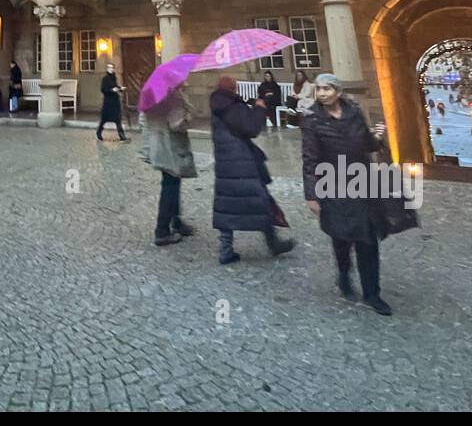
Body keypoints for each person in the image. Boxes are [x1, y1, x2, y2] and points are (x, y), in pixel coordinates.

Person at [300, 72, 393, 315]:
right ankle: (343, 272)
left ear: (338, 92)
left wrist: (377, 138)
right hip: (332, 183)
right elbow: (309, 159)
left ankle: (372, 293)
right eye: (319, 89)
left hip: (361, 181)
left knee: (367, 238)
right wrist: (311, 194)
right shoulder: (311, 119)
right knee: (341, 236)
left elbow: (366, 144)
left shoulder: (353, 112)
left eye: (327, 89)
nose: (322, 93)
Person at [210, 74, 295, 264]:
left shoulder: (220, 104)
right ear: (232, 88)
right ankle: (272, 242)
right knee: (261, 200)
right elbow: (250, 128)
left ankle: (226, 249)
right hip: (241, 161)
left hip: (226, 161)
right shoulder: (230, 105)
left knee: (226, 205)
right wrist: (258, 109)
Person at [140, 86, 197, 246]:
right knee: (170, 186)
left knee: (172, 183)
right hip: (171, 148)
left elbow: (143, 121)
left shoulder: (152, 97)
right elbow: (177, 124)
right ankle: (162, 231)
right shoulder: (173, 99)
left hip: (159, 146)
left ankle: (176, 221)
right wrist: (188, 112)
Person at [96, 63, 128, 141]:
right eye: (109, 68)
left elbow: (115, 86)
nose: (111, 69)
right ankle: (99, 131)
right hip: (108, 102)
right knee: (104, 119)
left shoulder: (114, 78)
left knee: (118, 119)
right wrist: (111, 90)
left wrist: (120, 88)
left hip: (115, 101)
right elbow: (103, 89)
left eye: (112, 68)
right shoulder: (105, 78)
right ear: (107, 69)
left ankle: (121, 135)